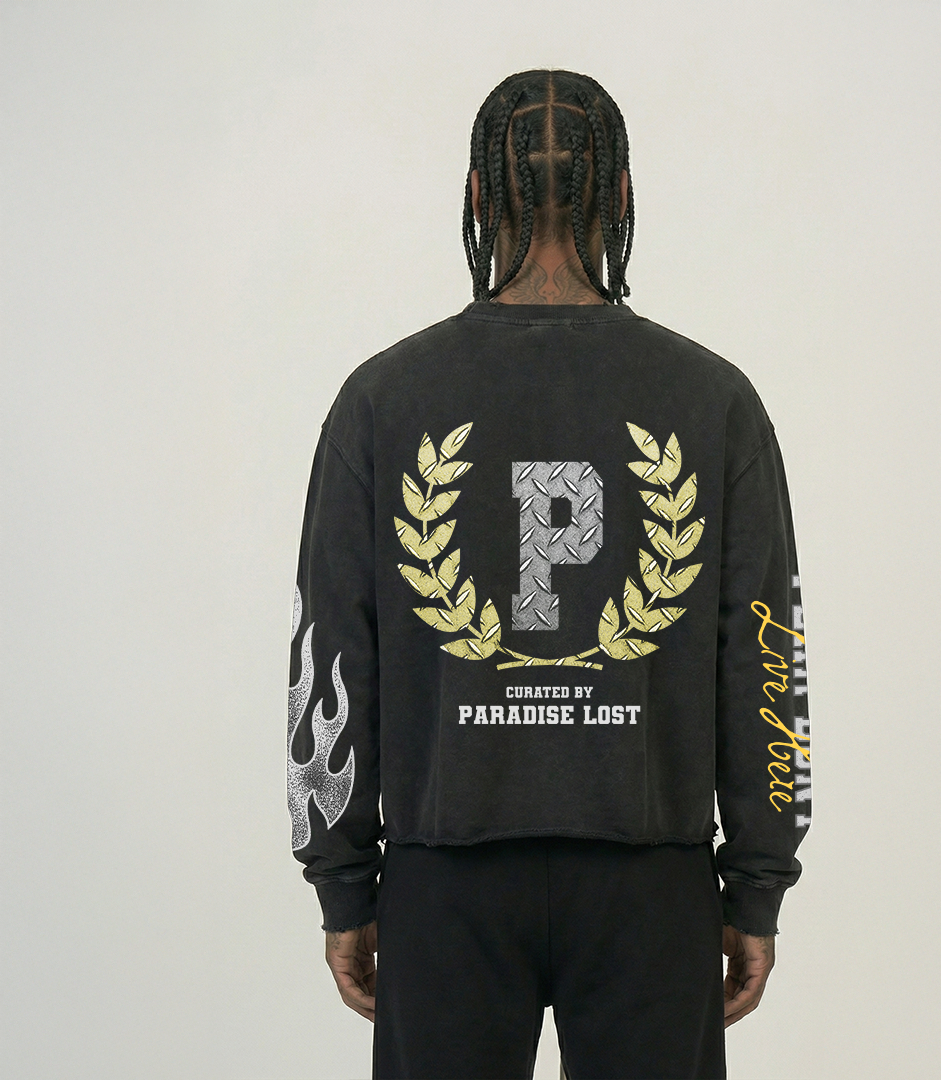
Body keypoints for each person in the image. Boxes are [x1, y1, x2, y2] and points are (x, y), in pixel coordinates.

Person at [288, 69, 812, 1080]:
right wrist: (757, 886)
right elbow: (765, 656)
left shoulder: (383, 398)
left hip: (445, 878)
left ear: (477, 195)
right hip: (651, 879)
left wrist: (343, 883)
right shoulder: (713, 399)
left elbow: (331, 648)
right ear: (622, 194)